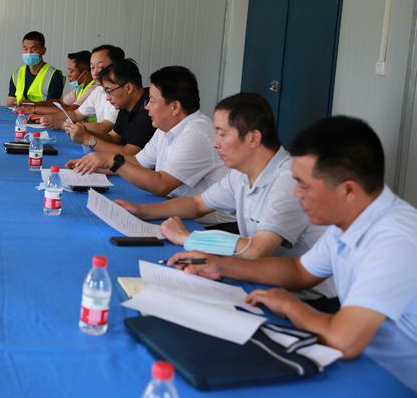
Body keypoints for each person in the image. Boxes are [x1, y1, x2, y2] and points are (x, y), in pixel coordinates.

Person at [168, 116, 417, 391]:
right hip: (366, 363)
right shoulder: (353, 218)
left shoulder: (394, 242)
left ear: (348, 190)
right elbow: (300, 271)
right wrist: (221, 265)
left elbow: (344, 341)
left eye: (304, 185)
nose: (297, 193)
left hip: (394, 381)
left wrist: (289, 305)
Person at [115, 93, 326, 260]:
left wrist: (187, 238)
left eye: (222, 134)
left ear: (253, 138)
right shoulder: (241, 174)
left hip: (305, 296)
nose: (215, 143)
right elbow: (197, 204)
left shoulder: (288, 180)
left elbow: (257, 249)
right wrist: (142, 211)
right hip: (265, 276)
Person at [66, 66, 230, 225]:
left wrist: (112, 160)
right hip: (176, 210)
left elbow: (162, 184)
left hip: (208, 226)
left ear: (174, 107)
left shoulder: (195, 134)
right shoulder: (166, 127)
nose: (147, 106)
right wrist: (95, 165)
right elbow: (138, 162)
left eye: (151, 100)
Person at [63, 59, 153, 156]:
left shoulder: (148, 109)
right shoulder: (126, 105)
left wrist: (87, 139)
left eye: (109, 91)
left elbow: (129, 153)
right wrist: (86, 132)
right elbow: (113, 138)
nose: (107, 98)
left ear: (129, 88)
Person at [39, 44, 123, 134]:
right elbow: (76, 114)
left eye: (101, 67)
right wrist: (52, 117)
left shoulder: (119, 93)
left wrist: (63, 125)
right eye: (92, 67)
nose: (95, 72)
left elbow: (104, 127)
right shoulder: (98, 90)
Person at [6, 31, 64, 106]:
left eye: (34, 49)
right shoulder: (16, 74)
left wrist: (33, 105)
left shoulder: (54, 75)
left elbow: (53, 105)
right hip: (18, 112)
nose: (29, 53)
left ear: (43, 51)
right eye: (25, 49)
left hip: (42, 113)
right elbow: (11, 103)